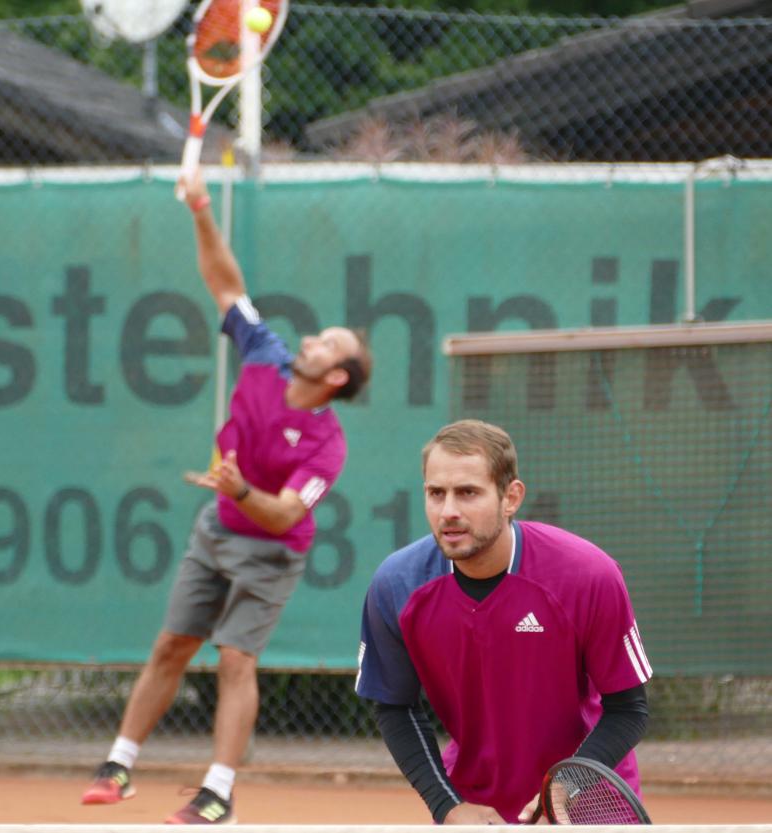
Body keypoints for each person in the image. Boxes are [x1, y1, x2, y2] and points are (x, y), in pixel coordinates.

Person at [80, 173, 373, 824]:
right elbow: (225, 283)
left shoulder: (327, 444)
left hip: (271, 551)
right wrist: (202, 212)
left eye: (327, 343)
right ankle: (119, 763)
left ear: (335, 376)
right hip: (217, 528)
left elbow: (287, 513)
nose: (311, 339)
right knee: (171, 645)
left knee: (236, 658)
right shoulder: (264, 356)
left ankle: (218, 792)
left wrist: (242, 488)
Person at [356, 419, 652, 825]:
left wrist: (564, 789)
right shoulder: (396, 586)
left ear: (511, 497)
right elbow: (394, 706)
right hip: (477, 809)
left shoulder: (589, 576)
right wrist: (447, 805)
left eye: (468, 493)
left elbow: (629, 709)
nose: (449, 511)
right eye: (435, 493)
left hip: (589, 801)